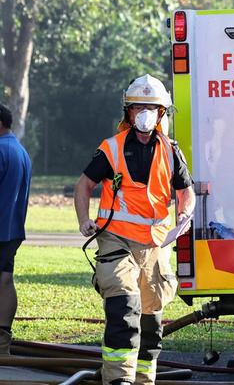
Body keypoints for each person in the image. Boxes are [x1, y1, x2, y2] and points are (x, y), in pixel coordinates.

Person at [74, 74, 195, 385]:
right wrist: (83, 220)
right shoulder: (111, 149)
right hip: (116, 241)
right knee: (123, 306)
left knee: (151, 319)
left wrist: (185, 214)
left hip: (155, 245)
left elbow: (186, 191)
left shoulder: (170, 150)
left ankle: (143, 379)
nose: (144, 114)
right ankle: (119, 380)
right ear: (128, 112)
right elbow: (84, 185)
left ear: (161, 114)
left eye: (151, 108)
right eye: (138, 107)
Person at [0, 103, 32, 355]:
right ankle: (2, 339)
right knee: (5, 278)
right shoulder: (20, 151)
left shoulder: (1, 149)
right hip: (12, 229)